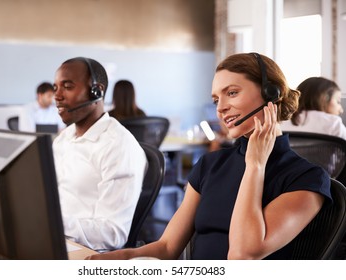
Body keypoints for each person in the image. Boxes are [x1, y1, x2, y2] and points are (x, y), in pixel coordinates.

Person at [87, 52, 332, 260]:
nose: (220, 108)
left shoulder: (307, 179)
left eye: (232, 93)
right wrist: (103, 261)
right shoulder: (210, 164)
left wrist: (255, 166)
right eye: (216, 99)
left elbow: (242, 255)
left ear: (271, 94)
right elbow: (167, 247)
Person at [52, 57, 147, 251]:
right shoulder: (64, 138)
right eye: (56, 88)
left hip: (87, 252)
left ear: (97, 91)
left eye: (67, 87)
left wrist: (52, 222)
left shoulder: (118, 145)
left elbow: (114, 233)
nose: (57, 96)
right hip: (56, 241)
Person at [281, 77, 346, 139]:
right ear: (324, 99)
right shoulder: (334, 123)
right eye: (338, 101)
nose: (341, 110)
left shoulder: (281, 122)